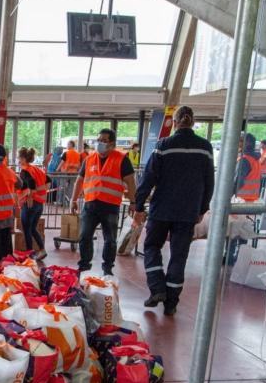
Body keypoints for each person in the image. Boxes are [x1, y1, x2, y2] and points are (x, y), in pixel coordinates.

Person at [133, 105, 214, 316]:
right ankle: (172, 303)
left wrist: (139, 205)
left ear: (175, 123)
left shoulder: (163, 145)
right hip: (188, 211)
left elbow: (148, 178)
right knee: (179, 256)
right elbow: (209, 182)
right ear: (193, 122)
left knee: (151, 246)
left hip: (162, 208)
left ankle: (157, 288)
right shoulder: (205, 148)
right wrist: (202, 208)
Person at [71, 128, 136, 277]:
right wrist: (74, 200)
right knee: (85, 236)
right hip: (91, 205)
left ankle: (107, 268)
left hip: (110, 206)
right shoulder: (89, 159)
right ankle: (84, 265)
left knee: (110, 240)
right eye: (99, 140)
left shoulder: (121, 159)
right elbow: (79, 181)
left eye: (104, 141)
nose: (100, 143)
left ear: (112, 143)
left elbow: (130, 182)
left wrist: (133, 201)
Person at [17, 147, 48, 257]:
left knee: (26, 230)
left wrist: (30, 195)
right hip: (39, 204)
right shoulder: (36, 169)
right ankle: (42, 249)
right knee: (33, 228)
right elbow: (48, 180)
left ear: (24, 158)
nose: (18, 159)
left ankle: (29, 254)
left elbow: (31, 183)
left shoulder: (25, 170)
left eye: (19, 157)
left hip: (29, 204)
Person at [234, 132, 262, 202]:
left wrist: (226, 195)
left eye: (239, 141)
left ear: (245, 144)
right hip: (251, 198)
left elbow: (238, 181)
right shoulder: (255, 159)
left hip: (240, 198)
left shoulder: (244, 160)